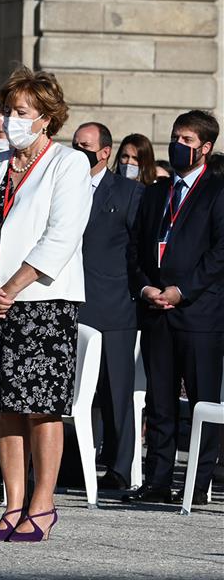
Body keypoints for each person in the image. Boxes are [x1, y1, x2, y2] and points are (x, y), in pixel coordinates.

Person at [0, 67, 91, 542]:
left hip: (41, 299)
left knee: (40, 408)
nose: (13, 120)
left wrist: (10, 287)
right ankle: (12, 505)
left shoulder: (67, 164)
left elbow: (61, 235)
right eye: (10, 110)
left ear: (46, 119)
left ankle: (42, 504)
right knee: (5, 408)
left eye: (22, 112)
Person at [125, 110, 224, 507]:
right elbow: (135, 248)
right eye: (175, 138)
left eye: (187, 141)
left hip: (199, 313)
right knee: (160, 401)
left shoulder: (217, 191)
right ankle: (158, 479)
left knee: (201, 401)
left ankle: (196, 484)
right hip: (155, 311)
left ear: (205, 147)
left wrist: (183, 290)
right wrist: (146, 287)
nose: (178, 146)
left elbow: (220, 253)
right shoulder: (155, 192)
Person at [70, 122, 143, 492]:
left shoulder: (129, 192)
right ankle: (70, 464)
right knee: (67, 391)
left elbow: (137, 249)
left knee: (117, 391)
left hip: (113, 305)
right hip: (68, 301)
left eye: (85, 145)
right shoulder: (64, 184)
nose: (77, 149)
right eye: (74, 143)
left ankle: (119, 467)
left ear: (103, 153)